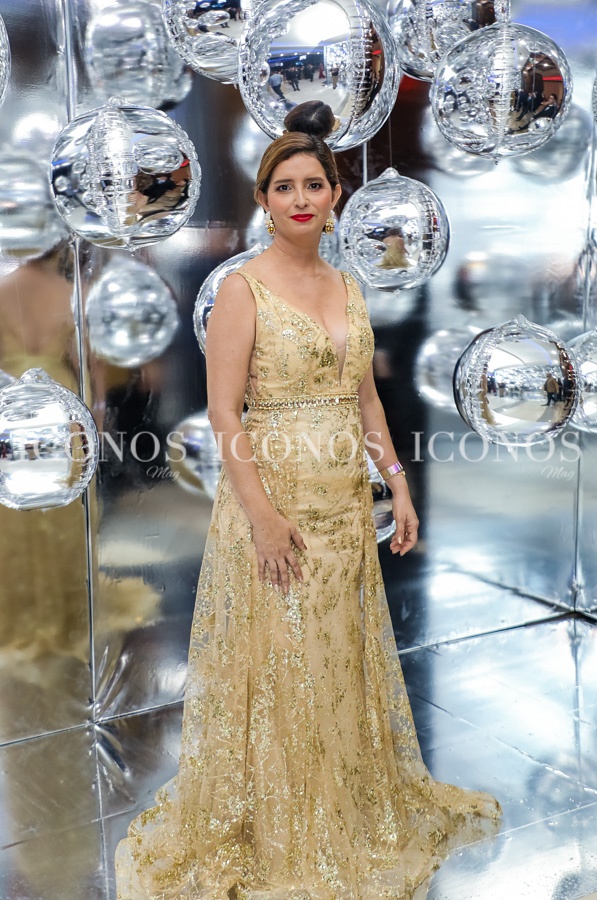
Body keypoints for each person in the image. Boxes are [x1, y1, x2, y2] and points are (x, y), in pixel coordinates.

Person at [115, 100, 502, 899]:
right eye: (283, 186)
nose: (299, 198)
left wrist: (397, 486)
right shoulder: (243, 290)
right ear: (263, 200)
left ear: (334, 195)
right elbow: (224, 414)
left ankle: (344, 809)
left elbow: (365, 401)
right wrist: (261, 518)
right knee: (280, 664)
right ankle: (283, 824)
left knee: (336, 657)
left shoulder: (347, 285)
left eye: (313, 185)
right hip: (275, 502)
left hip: (342, 503)